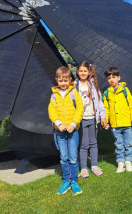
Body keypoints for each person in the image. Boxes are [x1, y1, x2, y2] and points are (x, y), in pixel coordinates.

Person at [48, 66, 84, 195]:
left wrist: (73, 124)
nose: (63, 83)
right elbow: (51, 111)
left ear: (70, 80)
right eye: (61, 81)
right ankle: (66, 181)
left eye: (65, 80)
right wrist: (59, 124)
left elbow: (80, 109)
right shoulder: (54, 96)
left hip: (73, 131)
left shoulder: (74, 93)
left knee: (73, 157)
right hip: (60, 132)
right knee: (64, 157)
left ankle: (74, 181)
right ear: (56, 80)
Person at [74, 61, 108, 178]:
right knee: (83, 145)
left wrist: (103, 116)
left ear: (89, 72)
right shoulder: (74, 86)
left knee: (93, 143)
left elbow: (99, 102)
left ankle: (94, 165)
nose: (83, 73)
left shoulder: (93, 85)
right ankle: (83, 168)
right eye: (80, 71)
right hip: (81, 120)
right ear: (77, 72)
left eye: (85, 71)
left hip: (93, 118)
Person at [103, 67, 132, 173]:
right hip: (115, 125)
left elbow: (131, 105)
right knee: (118, 145)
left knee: (128, 144)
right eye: (109, 78)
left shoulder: (124, 90)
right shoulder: (106, 93)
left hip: (127, 123)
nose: (111, 80)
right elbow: (106, 109)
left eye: (114, 77)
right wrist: (105, 121)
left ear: (119, 77)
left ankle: (128, 162)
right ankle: (120, 163)